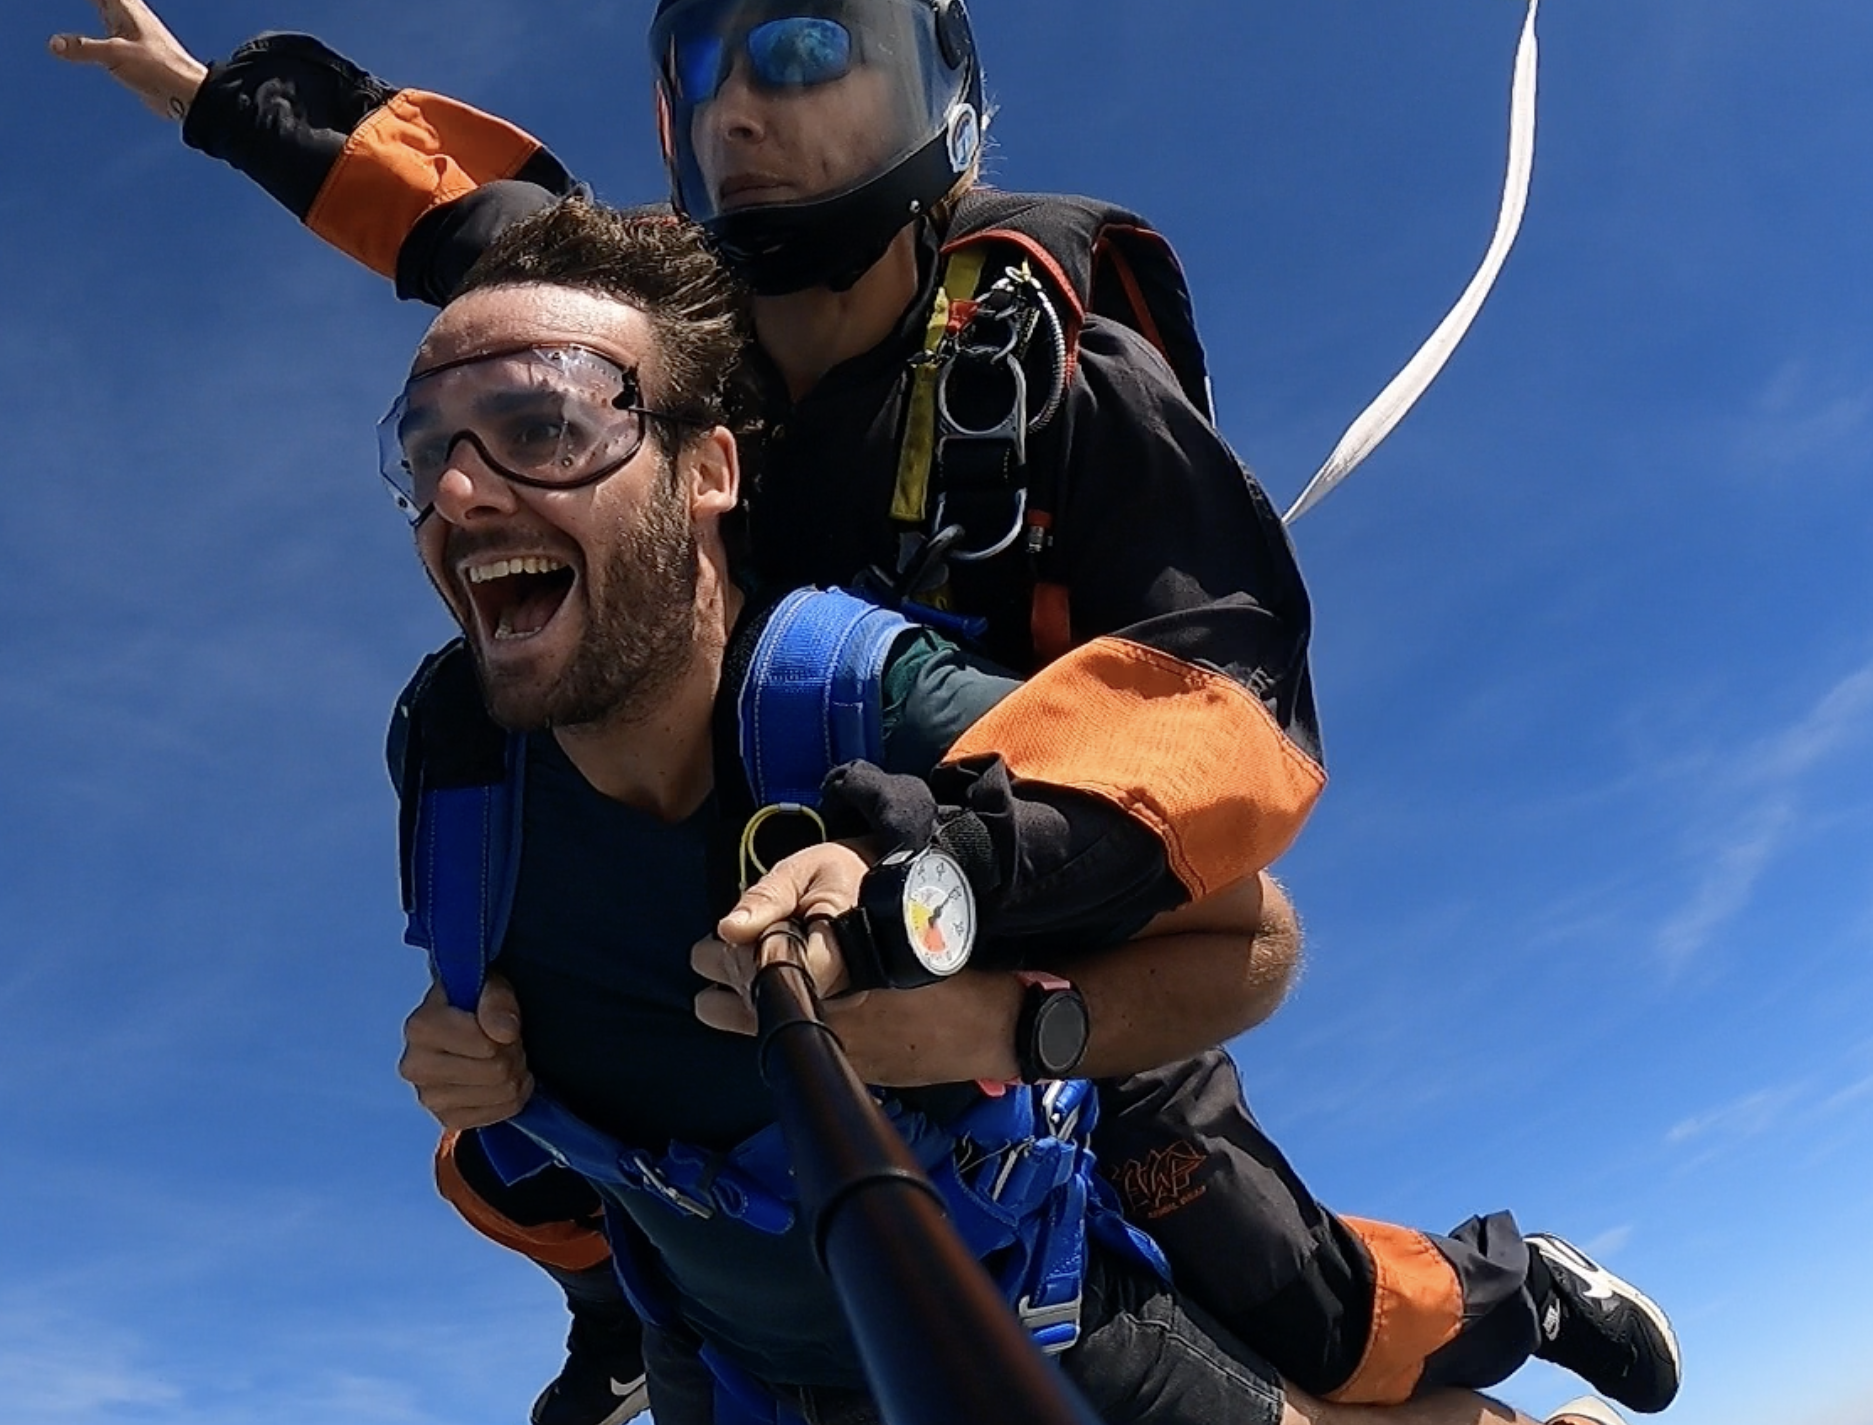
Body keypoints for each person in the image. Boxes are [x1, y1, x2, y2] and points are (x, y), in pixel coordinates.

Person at [50, 0, 1677, 1422]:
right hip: (772, 900)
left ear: (936, 97)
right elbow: (475, 223)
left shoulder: (1053, 374)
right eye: (708, 79)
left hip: (1043, 880)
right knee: (573, 1137)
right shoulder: (664, 350)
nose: (748, 112)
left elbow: (1214, 703)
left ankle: (1510, 1284)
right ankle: (635, 1314)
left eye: (810, 55)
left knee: (1270, 1276)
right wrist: (221, 102)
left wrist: (968, 889)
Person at [375, 195, 1618, 1425]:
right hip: (722, 1362)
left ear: (708, 471)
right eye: (430, 449)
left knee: (1315, 1316)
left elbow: (1255, 937)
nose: (464, 488)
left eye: (545, 425)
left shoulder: (869, 705)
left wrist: (990, 1024)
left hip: (1027, 1315)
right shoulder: (456, 775)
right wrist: (472, 1066)